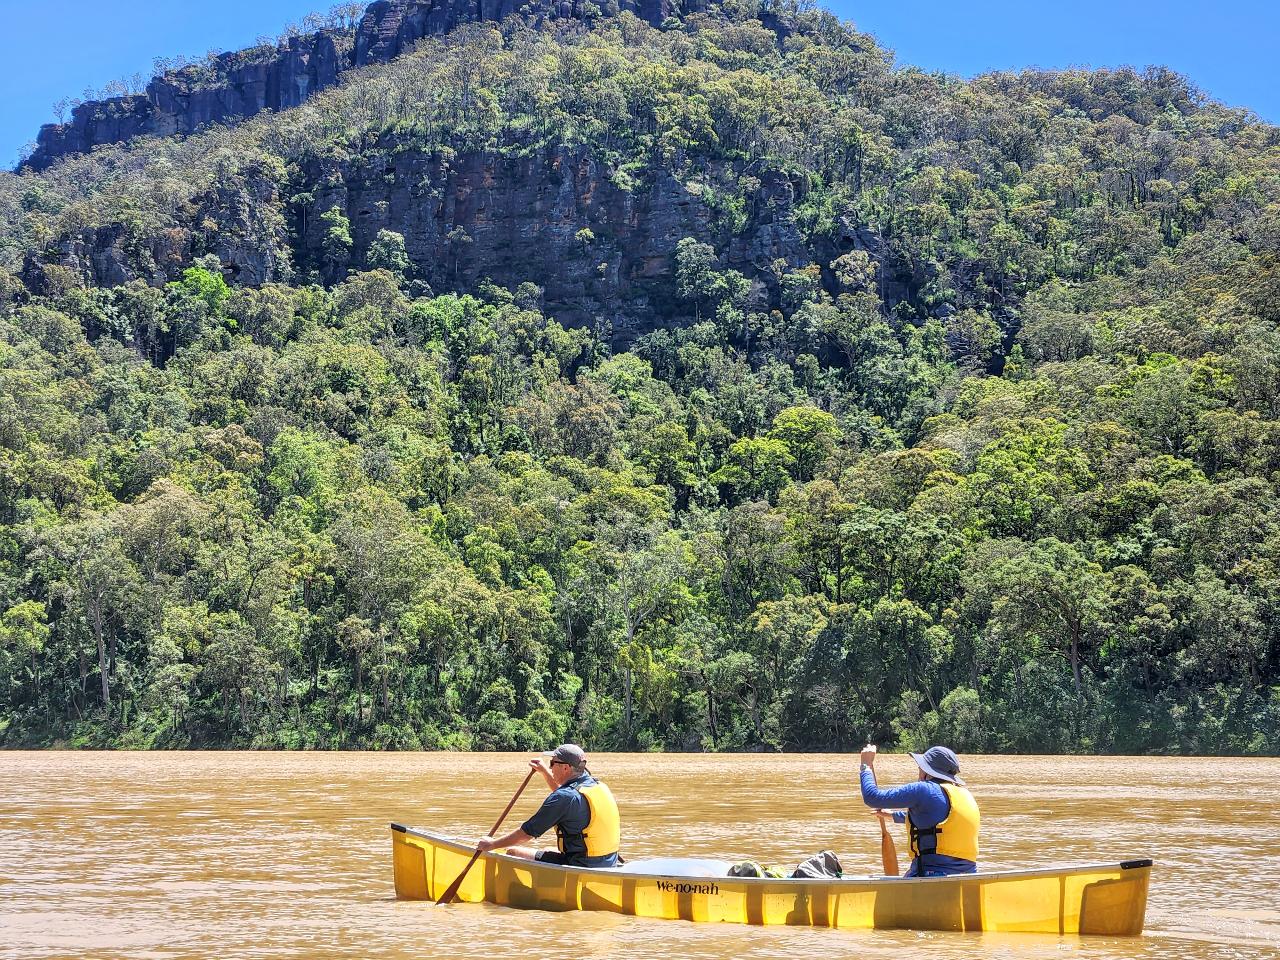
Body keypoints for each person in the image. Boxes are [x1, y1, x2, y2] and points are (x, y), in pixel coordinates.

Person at [475, 743, 620, 868]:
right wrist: (544, 772)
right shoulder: (597, 785)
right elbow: (566, 800)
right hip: (607, 861)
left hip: (581, 864)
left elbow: (526, 834)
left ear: (566, 768)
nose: (550, 767)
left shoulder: (564, 797)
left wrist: (492, 845)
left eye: (552, 763)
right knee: (547, 849)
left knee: (513, 852)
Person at [859, 743, 979, 878]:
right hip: (969, 878)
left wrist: (866, 765)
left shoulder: (923, 789)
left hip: (931, 876)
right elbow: (938, 821)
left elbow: (872, 798)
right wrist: (893, 815)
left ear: (926, 771)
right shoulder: (965, 795)